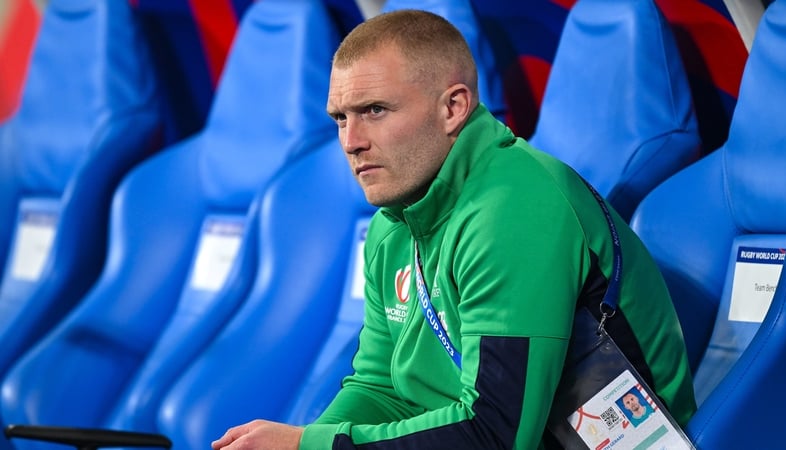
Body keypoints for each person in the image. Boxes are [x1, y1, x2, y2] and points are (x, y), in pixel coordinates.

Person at [211, 9, 696, 449]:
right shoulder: (391, 228)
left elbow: (496, 433)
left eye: (375, 110)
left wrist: (312, 448)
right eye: (340, 118)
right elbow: (381, 388)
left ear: (454, 108)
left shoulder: (516, 209)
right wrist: (309, 441)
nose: (352, 142)